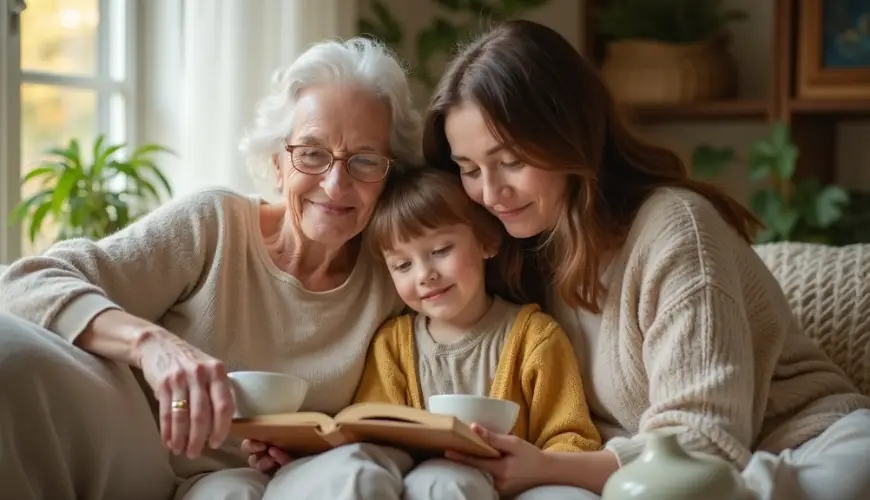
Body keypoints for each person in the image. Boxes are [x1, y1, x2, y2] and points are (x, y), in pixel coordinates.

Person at [421, 19, 870, 500]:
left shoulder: (677, 230)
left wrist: (547, 467)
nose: (489, 193)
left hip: (801, 449)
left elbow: (705, 443)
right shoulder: (515, 244)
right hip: (646, 477)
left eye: (511, 162)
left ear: (571, 135)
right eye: (468, 170)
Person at [0, 37, 432, 500]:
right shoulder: (214, 225)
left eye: (364, 160)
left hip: (296, 478)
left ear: (389, 176)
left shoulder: (397, 271)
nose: (334, 183)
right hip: (145, 460)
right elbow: (24, 283)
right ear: (278, 163)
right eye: (311, 152)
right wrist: (152, 345)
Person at [347, 167, 600, 498]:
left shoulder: (536, 337)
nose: (425, 275)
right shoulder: (391, 346)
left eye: (440, 251)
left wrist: (531, 470)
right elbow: (375, 435)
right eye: (403, 265)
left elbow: (570, 437)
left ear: (487, 241)